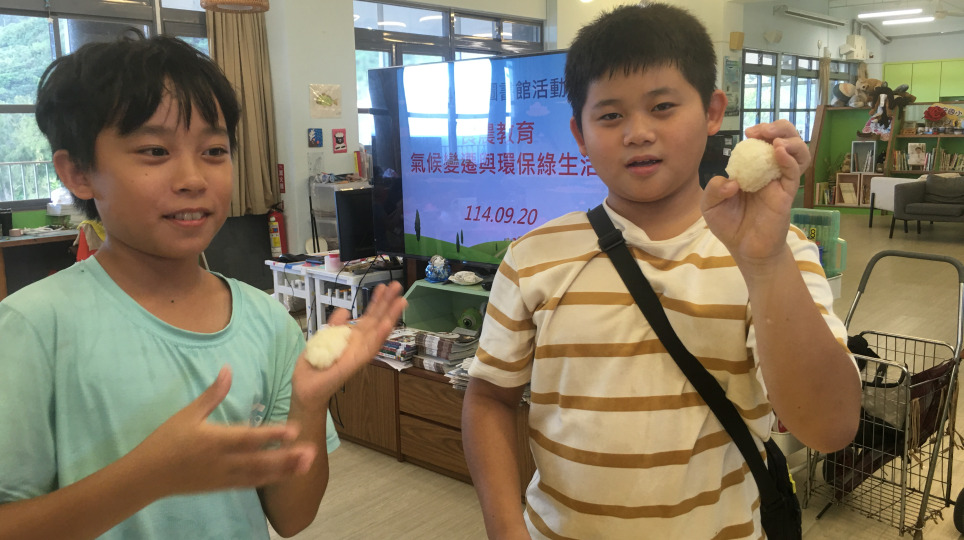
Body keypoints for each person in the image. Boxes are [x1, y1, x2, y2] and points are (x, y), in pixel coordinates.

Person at [461, 4, 861, 539]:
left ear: (713, 111)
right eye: (610, 116)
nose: (638, 133)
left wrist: (765, 264)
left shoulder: (777, 253)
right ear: (579, 134)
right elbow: (489, 397)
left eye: (663, 106)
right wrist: (506, 529)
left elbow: (831, 428)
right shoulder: (533, 257)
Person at [0, 34, 406, 540]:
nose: (193, 178)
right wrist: (147, 477)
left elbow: (292, 517)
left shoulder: (268, 322)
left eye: (214, 150)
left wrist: (309, 401)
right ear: (79, 173)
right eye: (155, 151)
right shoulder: (30, 328)